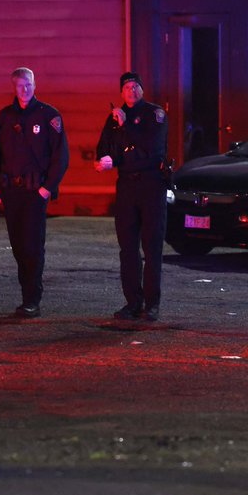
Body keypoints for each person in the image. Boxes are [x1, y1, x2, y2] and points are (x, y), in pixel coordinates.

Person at [0, 67, 69, 318]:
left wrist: (48, 187)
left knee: (33, 246)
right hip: (12, 191)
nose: (25, 90)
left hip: (35, 192)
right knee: (18, 246)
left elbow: (60, 156)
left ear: (35, 85)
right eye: (21, 86)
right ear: (14, 87)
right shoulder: (5, 117)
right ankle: (27, 297)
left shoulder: (49, 116)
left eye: (29, 85)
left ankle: (32, 299)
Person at [94, 71, 168, 321]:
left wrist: (126, 126)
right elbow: (105, 147)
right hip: (126, 186)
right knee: (127, 248)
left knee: (152, 246)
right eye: (127, 87)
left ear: (143, 89)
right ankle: (133, 302)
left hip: (151, 185)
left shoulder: (154, 115)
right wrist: (105, 160)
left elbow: (150, 150)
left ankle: (152, 303)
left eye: (136, 86)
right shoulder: (114, 118)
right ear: (121, 92)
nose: (132, 90)